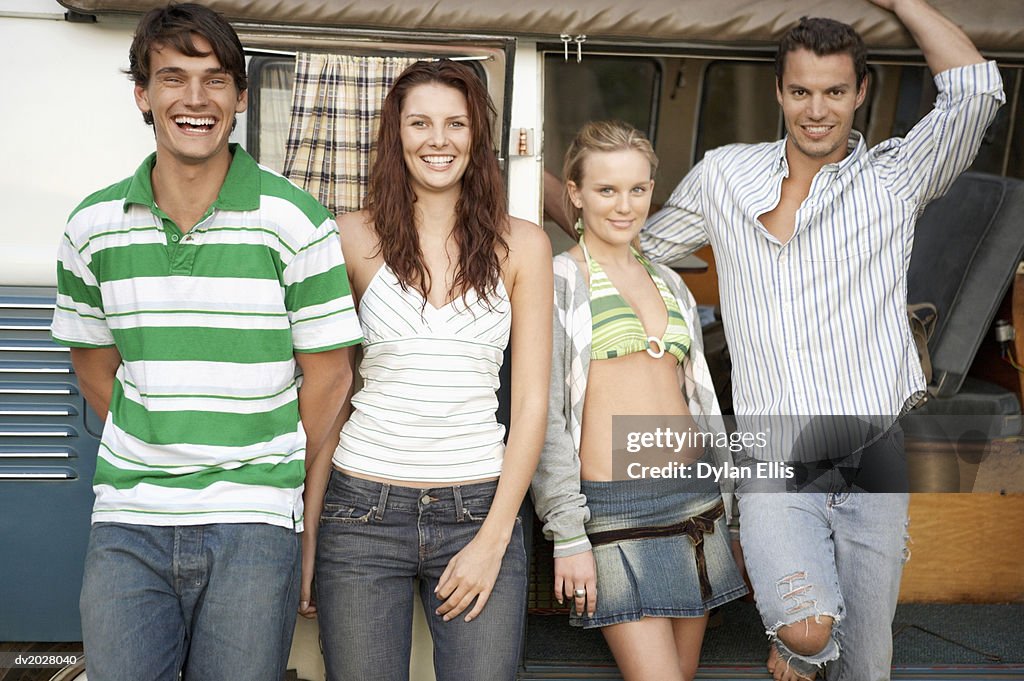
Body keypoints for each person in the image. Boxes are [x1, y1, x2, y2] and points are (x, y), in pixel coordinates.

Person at [642, 0, 1005, 679]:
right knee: (809, 632)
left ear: (860, 92)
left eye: (835, 91)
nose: (817, 109)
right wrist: (554, 202)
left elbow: (978, 89)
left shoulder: (898, 176)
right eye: (801, 91)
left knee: (867, 665)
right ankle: (797, 640)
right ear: (780, 91)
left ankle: (810, 644)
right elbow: (640, 247)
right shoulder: (724, 174)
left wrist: (900, 2)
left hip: (872, 453)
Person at [49, 4, 363, 680]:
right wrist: (161, 437)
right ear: (142, 94)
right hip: (129, 519)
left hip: (255, 518)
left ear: (241, 98)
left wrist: (258, 459)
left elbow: (331, 379)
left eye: (216, 79)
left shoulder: (296, 221)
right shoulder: (92, 226)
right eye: (173, 78)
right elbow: (95, 371)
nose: (196, 99)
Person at [310, 59, 552, 681]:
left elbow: (528, 406)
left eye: (455, 124)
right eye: (420, 123)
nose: (438, 140)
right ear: (396, 135)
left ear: (477, 138)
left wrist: (494, 540)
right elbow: (330, 396)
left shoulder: (524, 245)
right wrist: (308, 534)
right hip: (360, 513)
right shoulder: (351, 238)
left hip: (478, 508)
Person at [531, 121, 747, 681]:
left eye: (638, 189)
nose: (624, 205)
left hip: (695, 505)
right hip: (613, 511)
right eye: (606, 190)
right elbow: (546, 419)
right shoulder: (556, 281)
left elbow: (699, 401)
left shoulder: (672, 282)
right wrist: (568, 533)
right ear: (574, 194)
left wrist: (733, 511)